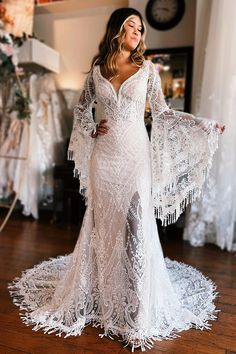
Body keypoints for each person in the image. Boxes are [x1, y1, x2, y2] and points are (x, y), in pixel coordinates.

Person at [8, 7, 225, 352]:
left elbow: (164, 113)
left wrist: (201, 124)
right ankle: (101, 294)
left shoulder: (148, 69)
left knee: (136, 231)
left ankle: (137, 317)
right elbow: (81, 109)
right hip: (104, 158)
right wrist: (91, 128)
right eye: (132, 26)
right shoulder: (98, 69)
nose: (138, 32)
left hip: (136, 158)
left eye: (141, 27)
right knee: (102, 228)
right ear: (117, 30)